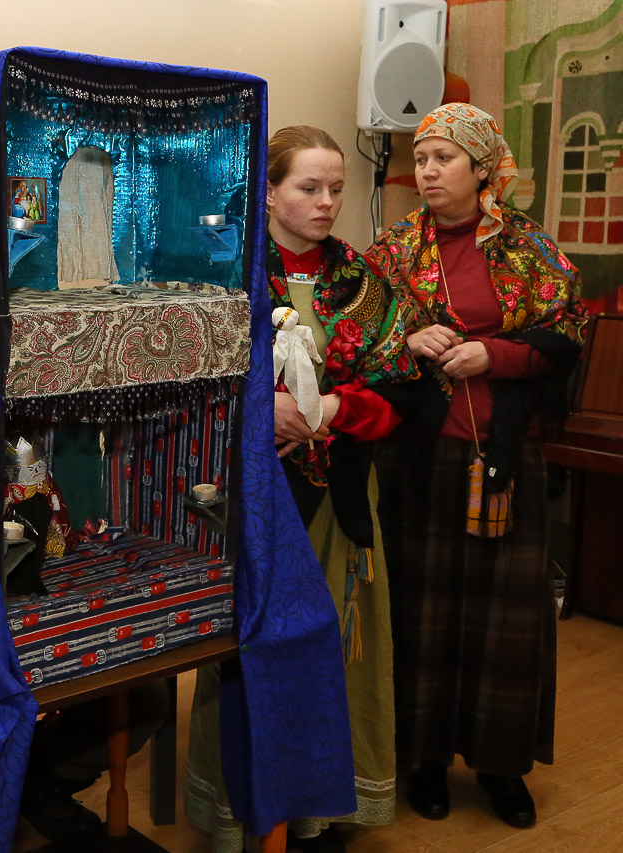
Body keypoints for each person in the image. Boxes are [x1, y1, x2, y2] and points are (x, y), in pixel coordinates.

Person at [187, 126, 418, 853]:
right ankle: (244, 811)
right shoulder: (223, 271)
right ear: (268, 190)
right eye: (307, 187)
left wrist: (333, 409)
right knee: (251, 652)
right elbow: (185, 381)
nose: (326, 202)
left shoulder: (365, 282)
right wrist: (261, 410)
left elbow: (403, 388)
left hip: (338, 499)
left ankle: (317, 814)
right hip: (246, 499)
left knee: (334, 650)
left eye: (336, 189)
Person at [366, 102, 586, 831]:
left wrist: (496, 354)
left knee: (506, 620)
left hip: (503, 457)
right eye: (421, 158)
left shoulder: (528, 246)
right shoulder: (394, 250)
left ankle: (501, 766)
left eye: (444, 158)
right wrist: (408, 342)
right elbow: (357, 335)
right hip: (419, 456)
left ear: (484, 168)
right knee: (421, 613)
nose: (427, 171)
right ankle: (425, 759)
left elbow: (567, 335)